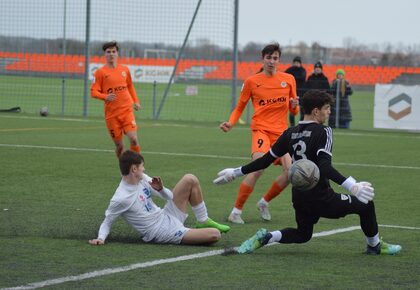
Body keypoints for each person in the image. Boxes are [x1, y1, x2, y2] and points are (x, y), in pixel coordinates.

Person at [213, 89, 401, 255]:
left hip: (299, 196)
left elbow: (264, 161)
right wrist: (352, 186)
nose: (329, 112)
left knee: (303, 234)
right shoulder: (323, 131)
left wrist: (235, 172)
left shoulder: (289, 132)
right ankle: (375, 246)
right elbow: (324, 167)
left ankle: (267, 237)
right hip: (321, 197)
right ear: (315, 111)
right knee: (365, 205)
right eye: (326, 108)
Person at [219, 42, 299, 224]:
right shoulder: (252, 82)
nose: (272, 61)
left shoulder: (289, 80)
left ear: (279, 60)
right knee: (258, 167)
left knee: (291, 173)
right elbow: (239, 107)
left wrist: (294, 107)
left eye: (275, 58)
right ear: (263, 59)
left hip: (282, 134)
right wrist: (230, 123)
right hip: (261, 130)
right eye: (268, 57)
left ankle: (264, 202)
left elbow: (294, 111)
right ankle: (236, 212)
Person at [89, 150, 230, 246]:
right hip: (161, 232)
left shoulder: (142, 178)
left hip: (166, 216)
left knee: (190, 179)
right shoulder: (120, 198)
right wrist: (100, 238)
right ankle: (188, 232)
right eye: (142, 166)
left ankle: (203, 220)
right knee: (215, 234)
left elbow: (170, 197)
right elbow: (107, 221)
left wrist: (161, 189)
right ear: (134, 169)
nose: (144, 169)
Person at [91, 41, 141, 158]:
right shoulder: (100, 73)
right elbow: (93, 92)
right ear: (105, 54)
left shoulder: (125, 70)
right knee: (119, 146)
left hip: (126, 111)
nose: (111, 54)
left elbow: (130, 86)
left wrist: (136, 101)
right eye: (108, 52)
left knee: (133, 139)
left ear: (117, 53)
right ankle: (124, 171)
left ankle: (137, 168)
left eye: (114, 51)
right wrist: (105, 96)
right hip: (112, 115)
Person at [285, 56, 307, 124]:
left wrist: (292, 77)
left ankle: (301, 124)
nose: (296, 64)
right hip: (292, 92)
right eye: (295, 62)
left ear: (300, 63)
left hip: (301, 92)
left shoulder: (303, 70)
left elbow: (302, 77)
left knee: (302, 110)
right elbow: (285, 76)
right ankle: (292, 125)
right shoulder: (290, 69)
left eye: (298, 62)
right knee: (292, 108)